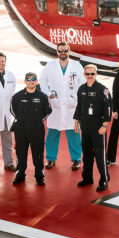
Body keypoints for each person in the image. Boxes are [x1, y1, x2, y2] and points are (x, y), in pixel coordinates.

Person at [39, 42, 85, 170]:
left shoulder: (76, 66)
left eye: (65, 50)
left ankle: (76, 159)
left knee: (74, 132)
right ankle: (50, 159)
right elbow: (42, 81)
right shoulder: (50, 65)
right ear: (57, 52)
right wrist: (49, 94)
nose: (63, 53)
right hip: (56, 104)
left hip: (71, 105)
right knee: (52, 132)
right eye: (60, 51)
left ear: (69, 51)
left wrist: (75, 97)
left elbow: (83, 83)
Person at [74, 64, 112, 191]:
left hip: (98, 126)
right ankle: (87, 178)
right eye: (87, 74)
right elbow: (79, 107)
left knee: (100, 155)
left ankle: (104, 179)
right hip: (85, 126)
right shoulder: (81, 89)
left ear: (96, 74)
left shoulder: (102, 89)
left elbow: (108, 108)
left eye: (92, 74)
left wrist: (104, 125)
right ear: (84, 75)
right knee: (87, 154)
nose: (90, 76)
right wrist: (76, 123)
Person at [10, 72, 52, 186]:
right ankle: (20, 174)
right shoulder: (17, 96)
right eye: (28, 79)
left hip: (37, 128)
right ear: (25, 81)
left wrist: (37, 120)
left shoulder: (43, 97)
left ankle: (39, 175)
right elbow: (12, 110)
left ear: (37, 81)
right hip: (21, 128)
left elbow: (48, 111)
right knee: (21, 153)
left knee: (38, 153)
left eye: (33, 79)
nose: (31, 81)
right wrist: (21, 119)